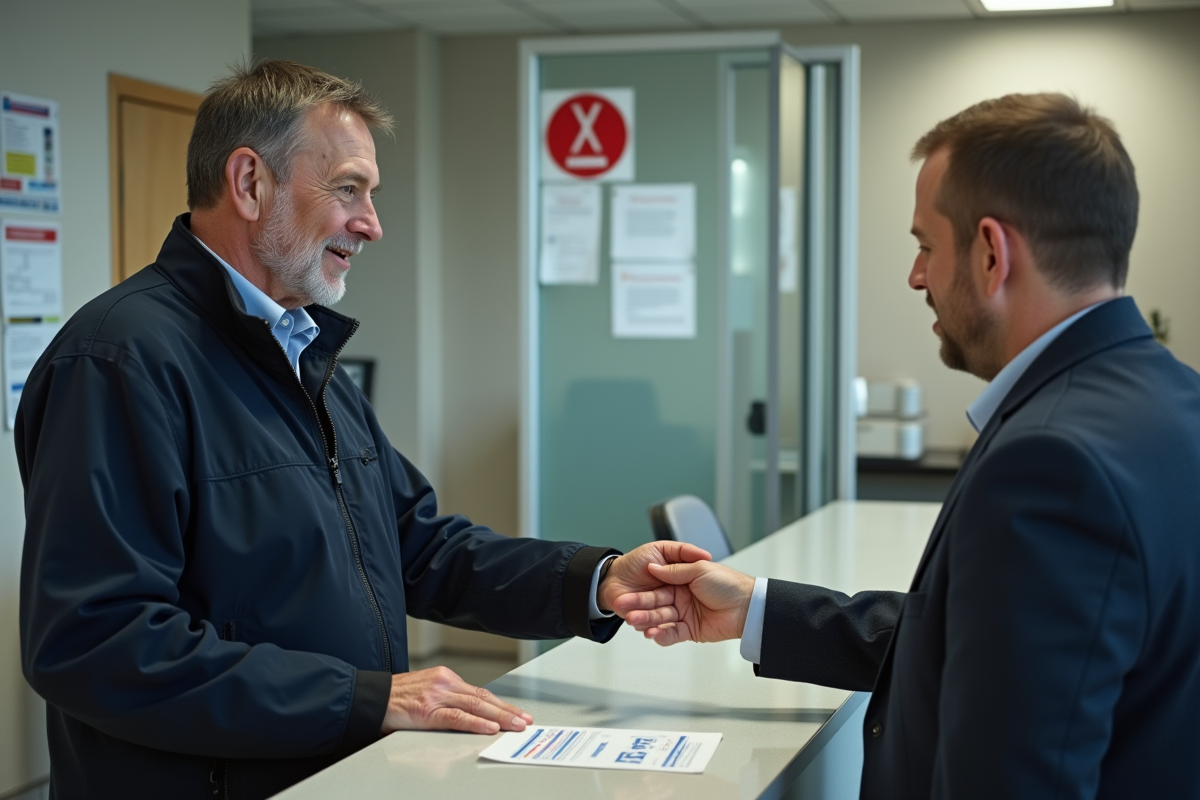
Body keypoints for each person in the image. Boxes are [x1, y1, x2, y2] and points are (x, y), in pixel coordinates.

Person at [16, 61, 707, 800]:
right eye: (348, 188)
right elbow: (96, 641)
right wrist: (365, 700)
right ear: (250, 183)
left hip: (333, 773)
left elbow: (419, 545)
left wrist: (599, 583)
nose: (371, 223)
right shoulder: (121, 361)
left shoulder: (298, 350)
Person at [616, 93, 1200, 799]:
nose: (916, 276)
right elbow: (984, 644)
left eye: (926, 246)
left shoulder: (1049, 460)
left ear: (992, 252)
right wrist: (755, 608)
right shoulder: (1173, 402)